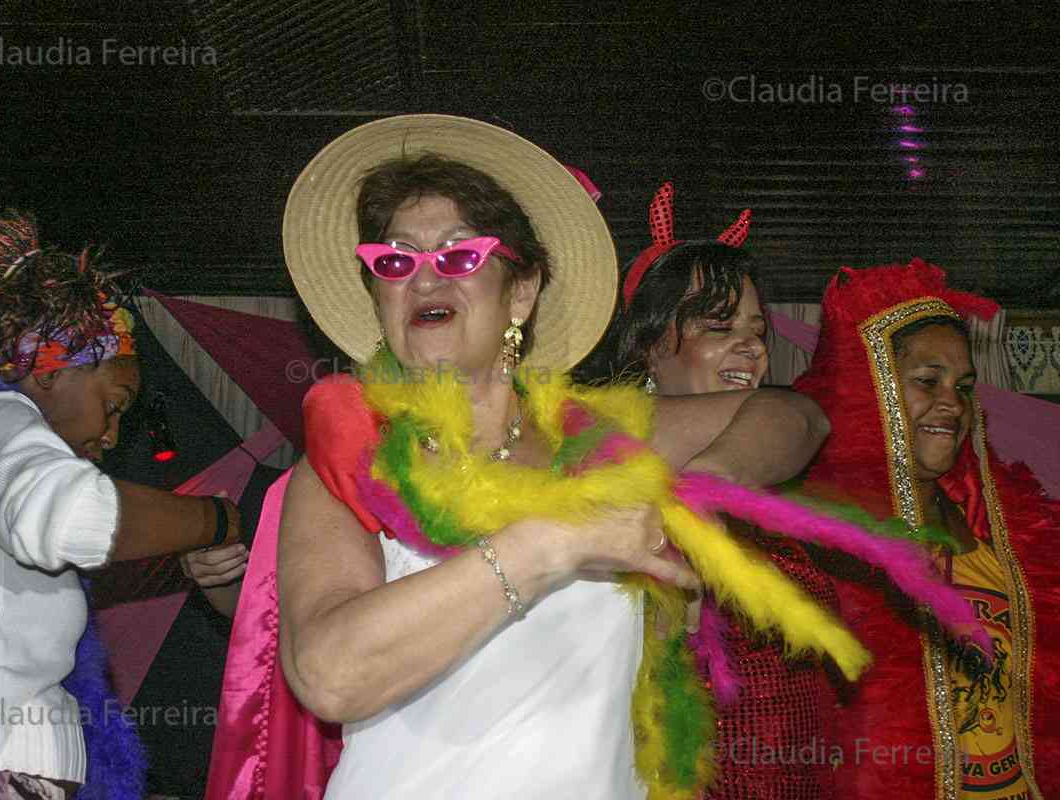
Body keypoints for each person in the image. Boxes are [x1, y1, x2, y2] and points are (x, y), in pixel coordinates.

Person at [204, 114, 874, 800]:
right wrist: (555, 542)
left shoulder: (603, 441)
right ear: (379, 298)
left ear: (520, 292)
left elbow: (797, 416)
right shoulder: (350, 463)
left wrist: (708, 483)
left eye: (460, 256)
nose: (425, 277)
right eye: (397, 260)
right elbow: (329, 676)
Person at [0, 210, 243, 800]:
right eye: (113, 404)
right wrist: (216, 520)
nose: (113, 436)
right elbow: (75, 518)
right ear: (50, 372)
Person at [592, 182, 842, 799]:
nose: (752, 344)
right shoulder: (604, 459)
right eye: (718, 324)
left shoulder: (774, 464)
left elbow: (804, 417)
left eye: (758, 329)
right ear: (652, 345)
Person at [793, 259, 1059, 799]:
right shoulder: (819, 537)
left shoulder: (1007, 530)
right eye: (925, 381)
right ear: (871, 387)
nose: (952, 405)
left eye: (963, 387)